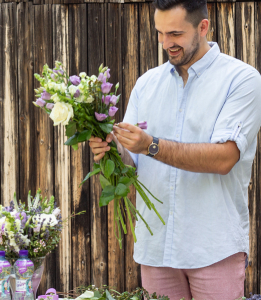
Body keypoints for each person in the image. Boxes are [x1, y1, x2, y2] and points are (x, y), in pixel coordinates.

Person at [89, 0, 261, 299]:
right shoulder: (146, 84)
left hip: (213, 247)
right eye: (160, 33)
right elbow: (131, 166)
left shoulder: (242, 80)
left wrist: (151, 145)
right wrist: (111, 150)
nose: (166, 43)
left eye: (176, 34)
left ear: (203, 27)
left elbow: (224, 158)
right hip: (157, 249)